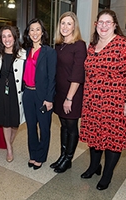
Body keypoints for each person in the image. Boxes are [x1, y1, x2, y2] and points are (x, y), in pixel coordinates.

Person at [79, 9, 126, 190]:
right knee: (95, 136)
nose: (104, 25)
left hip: (114, 103)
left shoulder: (124, 45)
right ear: (95, 25)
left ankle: (107, 174)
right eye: (101, 22)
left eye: (108, 22)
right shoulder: (93, 45)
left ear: (115, 25)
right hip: (92, 102)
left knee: (113, 139)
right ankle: (93, 166)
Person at [50, 12, 87, 173]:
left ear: (74, 27)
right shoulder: (59, 45)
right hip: (60, 92)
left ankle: (68, 158)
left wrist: (69, 98)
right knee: (63, 125)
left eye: (69, 23)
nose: (65, 27)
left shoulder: (79, 45)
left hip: (72, 93)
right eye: (63, 23)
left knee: (71, 126)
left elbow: (78, 74)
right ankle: (63, 156)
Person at [22, 18, 56, 170]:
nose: (34, 33)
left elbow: (52, 77)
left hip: (42, 96)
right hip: (28, 94)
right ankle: (33, 154)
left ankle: (41, 156)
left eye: (37, 29)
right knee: (30, 127)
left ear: (42, 32)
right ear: (28, 33)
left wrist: (49, 99)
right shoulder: (26, 51)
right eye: (31, 30)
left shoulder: (49, 52)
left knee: (44, 127)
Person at [0, 25, 26, 162]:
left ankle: (10, 141)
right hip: (3, 92)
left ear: (14, 37)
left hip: (17, 92)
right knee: (5, 121)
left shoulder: (23, 54)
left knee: (15, 122)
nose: (7, 39)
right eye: (3, 36)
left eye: (9, 36)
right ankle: (9, 149)